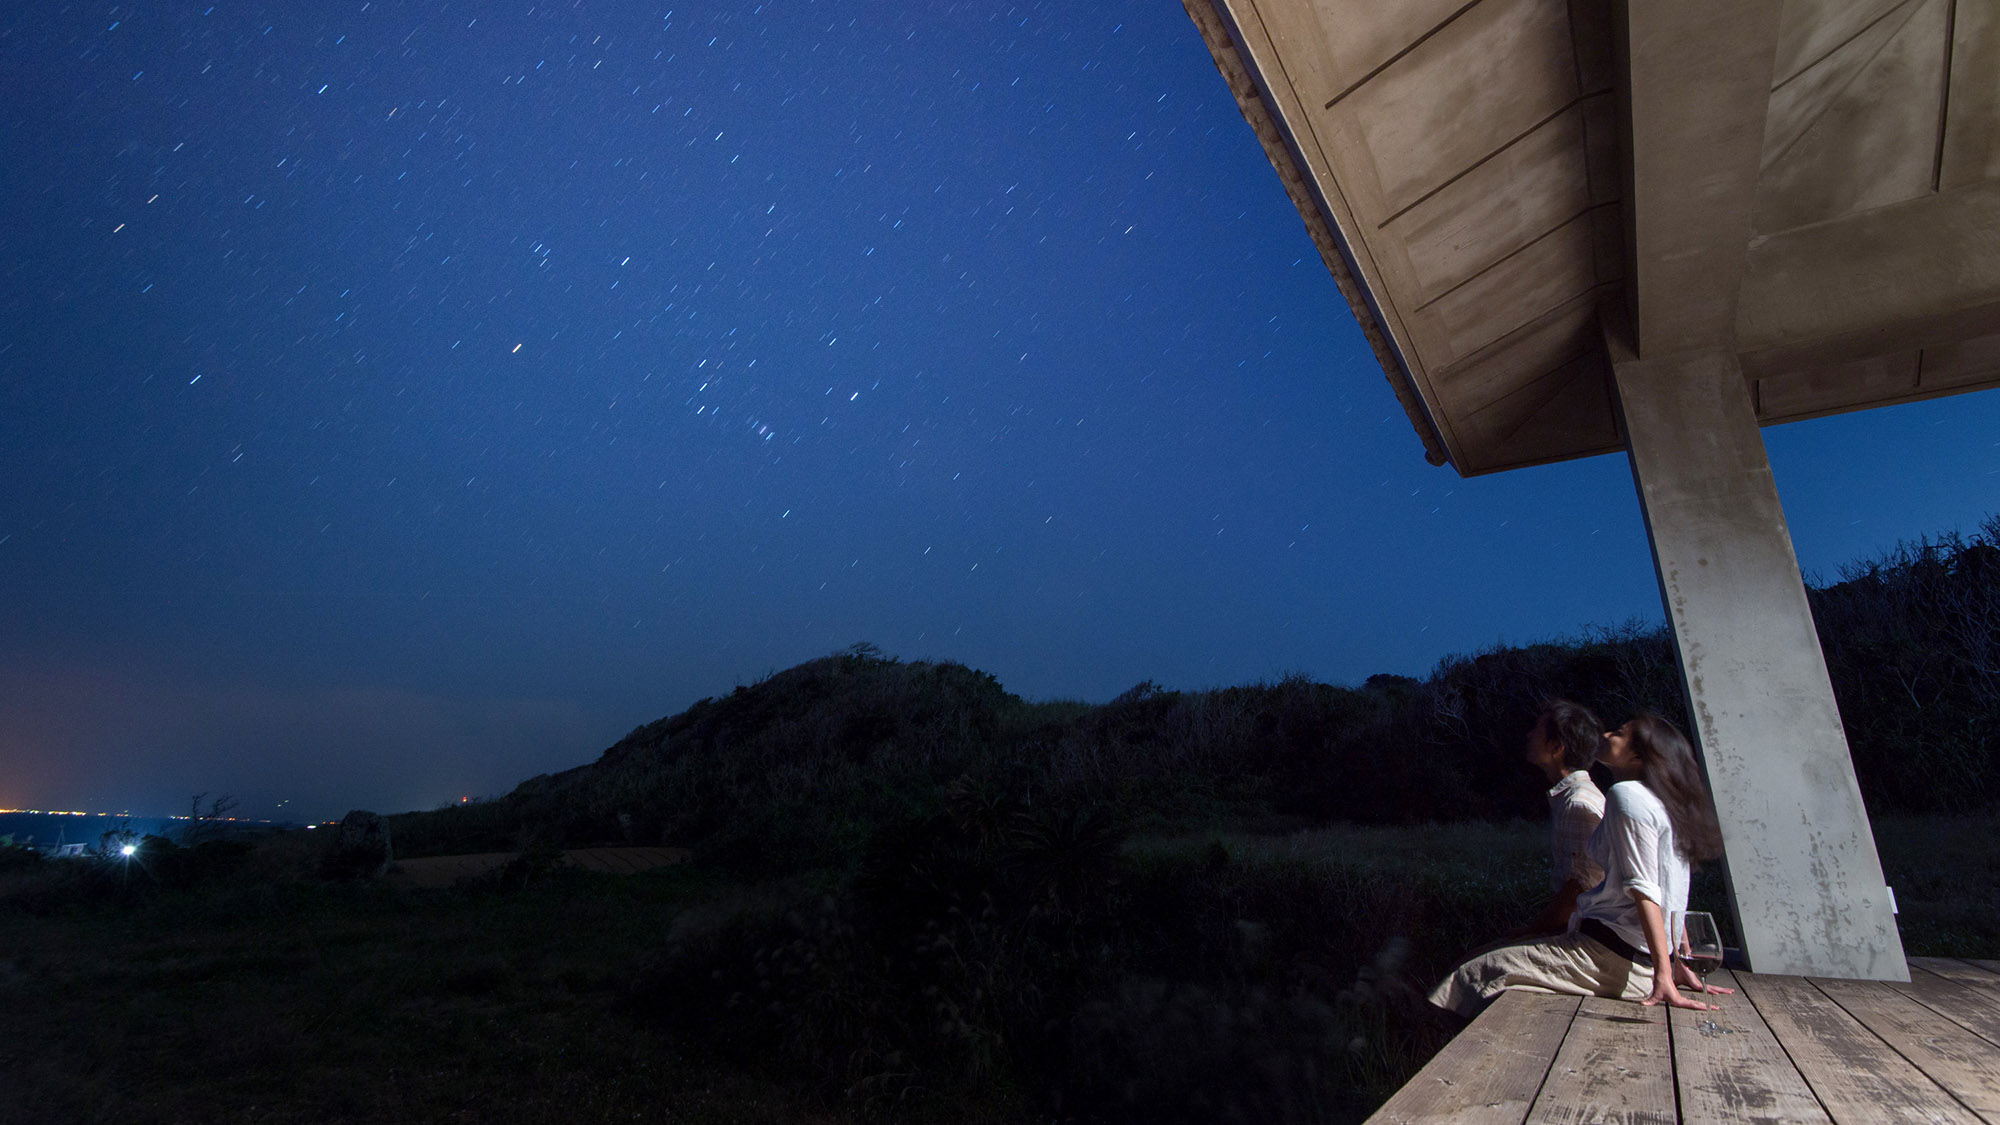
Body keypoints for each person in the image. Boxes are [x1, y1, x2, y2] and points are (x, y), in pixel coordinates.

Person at [1429, 712, 1731, 1016]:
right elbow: (1673, 886)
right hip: (1630, 957)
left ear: (1640, 755)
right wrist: (1677, 960)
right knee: (1485, 967)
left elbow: (1646, 889)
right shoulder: (1663, 802)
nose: (1608, 734)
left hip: (1607, 957)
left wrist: (1664, 975)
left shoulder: (1626, 795)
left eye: (1621, 733)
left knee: (1470, 974)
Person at [1513, 699, 1606, 939]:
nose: (1529, 734)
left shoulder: (1578, 804)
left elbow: (1580, 889)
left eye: (1538, 730)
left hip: (1584, 936)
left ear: (1557, 748)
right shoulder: (1573, 797)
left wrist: (1530, 933)